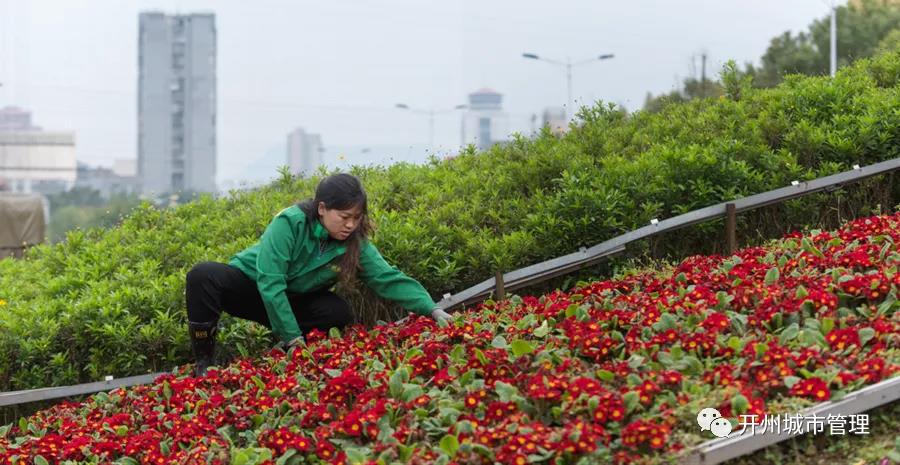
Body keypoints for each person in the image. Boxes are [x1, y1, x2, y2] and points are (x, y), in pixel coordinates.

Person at [185, 173, 453, 376]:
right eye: (344, 216)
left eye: (356, 218)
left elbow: (387, 278)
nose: (350, 224)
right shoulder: (290, 223)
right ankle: (204, 362)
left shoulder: (354, 243)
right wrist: (294, 340)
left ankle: (289, 346)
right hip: (253, 288)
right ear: (322, 208)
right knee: (204, 275)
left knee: (338, 313)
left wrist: (432, 309)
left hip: (294, 299)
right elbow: (271, 282)